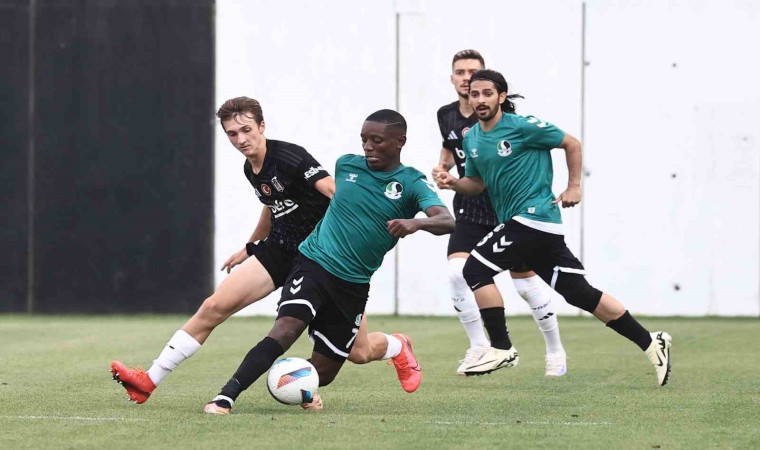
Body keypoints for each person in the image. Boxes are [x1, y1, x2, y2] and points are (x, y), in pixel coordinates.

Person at [110, 98, 420, 405]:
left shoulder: (290, 157)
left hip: (324, 258)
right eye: (232, 134)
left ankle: (396, 346)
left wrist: (362, 235)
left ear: (262, 126)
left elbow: (335, 191)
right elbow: (272, 207)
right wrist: (250, 246)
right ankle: (148, 381)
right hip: (281, 251)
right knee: (213, 307)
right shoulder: (251, 168)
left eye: (246, 130)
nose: (241, 139)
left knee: (360, 352)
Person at [203, 109, 455, 413]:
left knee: (324, 373)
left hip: (353, 284)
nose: (368, 147)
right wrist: (257, 244)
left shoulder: (412, 182)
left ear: (400, 141)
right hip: (314, 262)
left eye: (377, 141)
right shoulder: (346, 165)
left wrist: (416, 223)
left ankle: (397, 345)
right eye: (364, 140)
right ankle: (226, 397)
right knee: (286, 328)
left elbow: (447, 221)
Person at [434, 69, 672, 386]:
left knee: (474, 270)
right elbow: (476, 184)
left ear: (501, 96)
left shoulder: (523, 126)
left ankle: (502, 348)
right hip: (528, 226)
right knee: (578, 293)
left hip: (534, 218)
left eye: (487, 93)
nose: (480, 100)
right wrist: (453, 183)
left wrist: (574, 186)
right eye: (475, 94)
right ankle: (651, 341)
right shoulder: (472, 137)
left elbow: (571, 143)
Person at [436, 50, 567, 376]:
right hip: (470, 210)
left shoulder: (500, 117)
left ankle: (555, 351)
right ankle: (480, 347)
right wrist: (442, 170)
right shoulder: (446, 115)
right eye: (460, 72)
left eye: (473, 72)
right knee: (457, 273)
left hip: (506, 211)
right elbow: (450, 148)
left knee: (526, 285)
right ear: (452, 79)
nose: (466, 78)